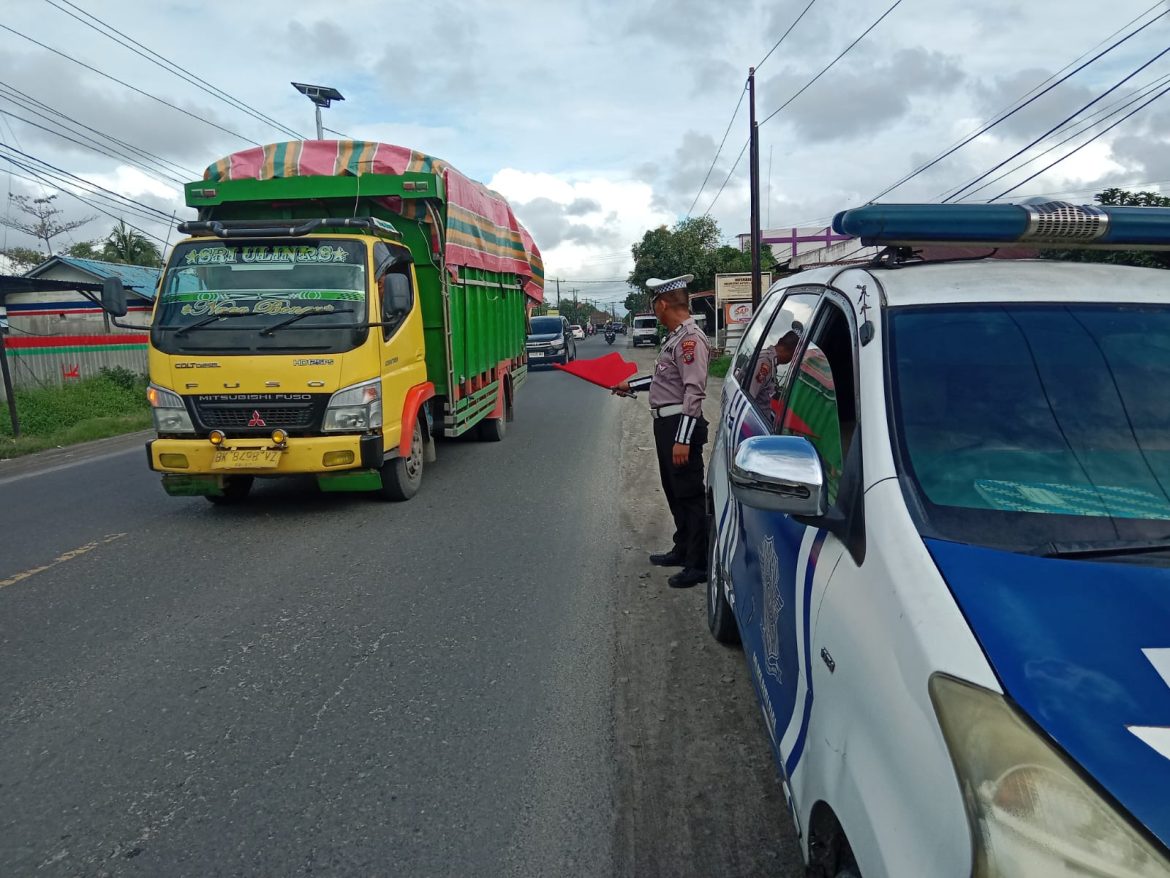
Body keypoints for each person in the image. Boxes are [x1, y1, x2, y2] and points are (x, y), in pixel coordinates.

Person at [612, 274, 710, 588]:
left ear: (663, 303)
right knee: (673, 489)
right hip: (666, 424)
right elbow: (664, 383)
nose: (654, 310)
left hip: (680, 424)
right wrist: (630, 385)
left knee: (691, 495)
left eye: (654, 304)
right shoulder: (675, 338)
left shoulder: (690, 340)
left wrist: (682, 440)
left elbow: (694, 392)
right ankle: (683, 549)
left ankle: (699, 564)